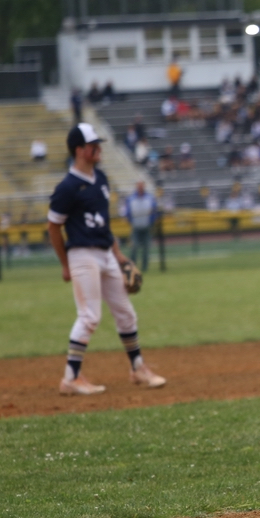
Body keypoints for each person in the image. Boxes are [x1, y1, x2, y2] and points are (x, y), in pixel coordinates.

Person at [47, 123, 166, 396]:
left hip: (105, 252)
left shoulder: (100, 179)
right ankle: (71, 378)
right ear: (79, 150)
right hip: (81, 254)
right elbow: (53, 226)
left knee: (126, 313)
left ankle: (138, 369)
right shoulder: (67, 187)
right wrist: (65, 264)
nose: (98, 149)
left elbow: (103, 224)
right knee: (89, 317)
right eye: (93, 146)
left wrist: (119, 254)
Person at [123, 180, 157, 272]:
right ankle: (133, 266)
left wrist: (151, 221)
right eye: (139, 186)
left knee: (146, 248)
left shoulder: (149, 198)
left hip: (147, 226)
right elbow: (127, 212)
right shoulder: (131, 198)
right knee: (134, 247)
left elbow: (154, 210)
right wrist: (131, 221)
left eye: (142, 186)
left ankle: (144, 268)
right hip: (136, 227)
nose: (140, 188)